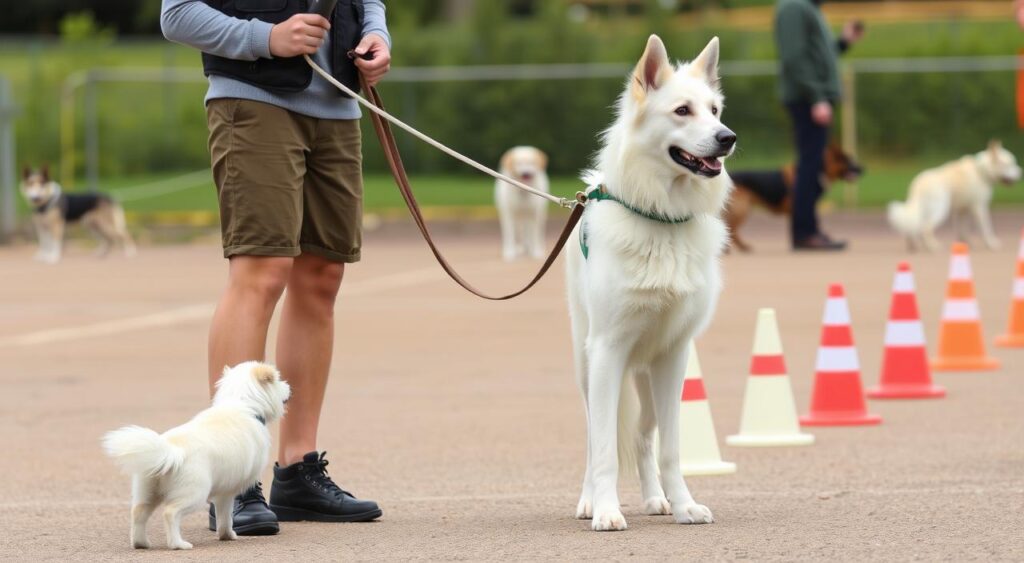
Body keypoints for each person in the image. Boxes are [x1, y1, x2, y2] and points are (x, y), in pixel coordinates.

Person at [160, 0, 391, 535]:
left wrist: (376, 34)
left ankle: (297, 471)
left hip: (339, 105)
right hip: (252, 102)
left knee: (322, 279)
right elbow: (177, 15)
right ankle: (234, 481)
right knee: (262, 273)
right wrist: (267, 38)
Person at [774, 0, 863, 250]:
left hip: (813, 97)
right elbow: (794, 57)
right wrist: (816, 97)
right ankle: (804, 233)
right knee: (810, 166)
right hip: (807, 98)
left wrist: (843, 42)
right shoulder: (794, 6)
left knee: (813, 166)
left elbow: (818, 54)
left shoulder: (809, 8)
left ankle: (809, 230)